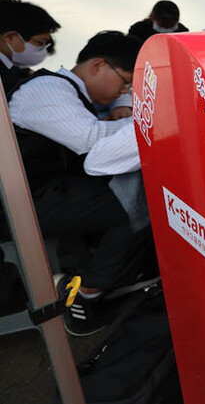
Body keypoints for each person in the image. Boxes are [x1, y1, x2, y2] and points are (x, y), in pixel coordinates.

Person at [9, 31, 150, 336]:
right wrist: (156, 120)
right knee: (138, 198)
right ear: (98, 65)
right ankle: (86, 296)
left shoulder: (73, 91)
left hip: (48, 190)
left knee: (135, 186)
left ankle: (106, 274)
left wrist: (122, 104)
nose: (124, 91)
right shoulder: (45, 90)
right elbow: (93, 144)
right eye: (124, 82)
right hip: (22, 201)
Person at [0, 0, 58, 94]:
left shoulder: (16, 71)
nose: (43, 50)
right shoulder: (6, 78)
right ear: (10, 37)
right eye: (39, 43)